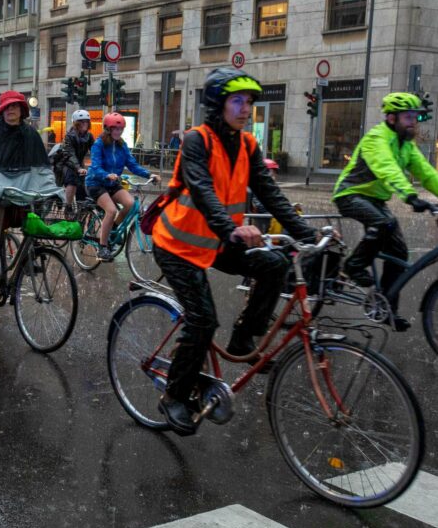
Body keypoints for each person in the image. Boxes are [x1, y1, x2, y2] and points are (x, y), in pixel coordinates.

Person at [151, 68, 315, 436]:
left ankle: (244, 337)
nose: (246, 109)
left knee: (274, 265)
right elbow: (203, 189)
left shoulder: (247, 145)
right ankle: (174, 396)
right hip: (178, 245)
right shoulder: (197, 140)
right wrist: (231, 227)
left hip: (219, 242)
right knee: (203, 320)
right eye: (237, 101)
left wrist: (306, 233)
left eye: (250, 102)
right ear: (218, 104)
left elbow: (270, 194)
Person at [333, 91, 438, 331]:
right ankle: (353, 266)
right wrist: (410, 195)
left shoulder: (406, 145)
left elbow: (428, 173)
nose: (413, 122)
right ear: (392, 118)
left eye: (416, 117)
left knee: (399, 252)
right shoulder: (376, 138)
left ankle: (387, 310)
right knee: (383, 224)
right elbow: (386, 168)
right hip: (351, 194)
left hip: (375, 200)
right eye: (408, 117)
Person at [0, 90, 59, 318]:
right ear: (1, 111)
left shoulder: (30, 135)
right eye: (7, 107)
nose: (11, 111)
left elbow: (42, 166)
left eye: (15, 107)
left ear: (22, 110)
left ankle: (27, 260)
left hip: (21, 191)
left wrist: (52, 189)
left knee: (34, 226)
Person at [85, 112, 158, 261]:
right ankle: (102, 247)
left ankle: (112, 228)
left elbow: (132, 164)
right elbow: (96, 166)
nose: (118, 132)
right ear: (107, 129)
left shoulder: (121, 145)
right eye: (115, 129)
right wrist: (106, 174)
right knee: (111, 210)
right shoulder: (98, 144)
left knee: (131, 204)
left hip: (112, 183)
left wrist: (149, 175)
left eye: (120, 129)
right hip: (96, 183)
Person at [55, 109, 94, 210]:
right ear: (76, 123)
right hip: (66, 162)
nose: (85, 124)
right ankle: (68, 206)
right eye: (81, 122)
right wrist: (78, 168)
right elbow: (70, 154)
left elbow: (95, 151)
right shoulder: (69, 136)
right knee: (72, 181)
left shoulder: (89, 136)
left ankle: (81, 208)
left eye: (86, 121)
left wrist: (99, 164)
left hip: (79, 163)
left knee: (82, 184)